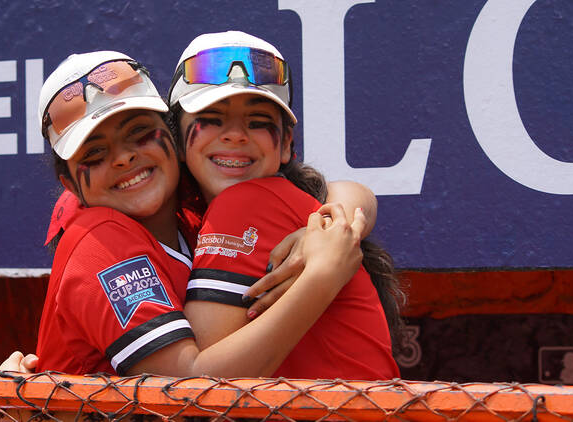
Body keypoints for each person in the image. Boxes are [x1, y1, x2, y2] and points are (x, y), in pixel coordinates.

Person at [23, 49, 367, 377]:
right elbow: (186, 390)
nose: (123, 158)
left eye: (140, 133)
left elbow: (343, 191)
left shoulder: (193, 215)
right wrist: (321, 278)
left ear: (172, 137)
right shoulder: (100, 238)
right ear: (69, 182)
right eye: (95, 152)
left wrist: (331, 225)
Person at [168, 31, 401, 380]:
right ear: (176, 136)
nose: (235, 135)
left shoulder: (245, 203)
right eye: (212, 118)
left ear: (286, 145)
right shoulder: (293, 205)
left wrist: (322, 274)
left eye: (257, 122)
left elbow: (198, 390)